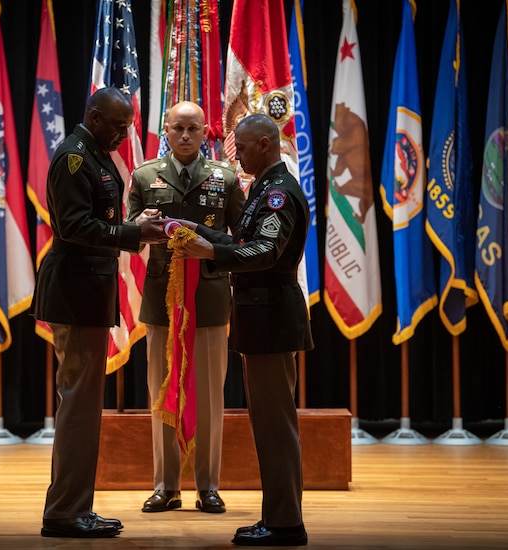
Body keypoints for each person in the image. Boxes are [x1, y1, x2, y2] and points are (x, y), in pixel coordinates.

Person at [170, 114, 313, 546]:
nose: (238, 154)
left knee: (275, 426)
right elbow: (242, 240)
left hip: (272, 315)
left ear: (266, 145)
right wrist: (198, 231)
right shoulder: (261, 189)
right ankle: (278, 517)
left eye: (244, 147)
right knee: (268, 425)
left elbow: (265, 252)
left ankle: (285, 523)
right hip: (260, 314)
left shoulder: (277, 193)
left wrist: (209, 249)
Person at [32, 87, 168, 539]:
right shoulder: (73, 157)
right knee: (78, 406)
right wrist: (133, 233)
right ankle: (66, 511)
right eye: (117, 125)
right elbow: (73, 226)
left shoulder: (91, 152)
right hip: (76, 290)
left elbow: (101, 212)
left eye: (128, 125)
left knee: (85, 407)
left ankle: (74, 507)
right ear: (94, 116)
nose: (124, 134)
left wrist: (133, 224)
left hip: (88, 290)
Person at [127, 101, 245, 514]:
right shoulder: (145, 176)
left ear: (205, 131)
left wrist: (204, 241)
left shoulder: (225, 177)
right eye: (177, 128)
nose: (184, 136)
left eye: (193, 129)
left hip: (210, 297)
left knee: (210, 393)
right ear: (166, 128)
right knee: (161, 390)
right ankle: (166, 486)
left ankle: (208, 485)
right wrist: (143, 224)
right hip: (162, 298)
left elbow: (240, 241)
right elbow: (129, 235)